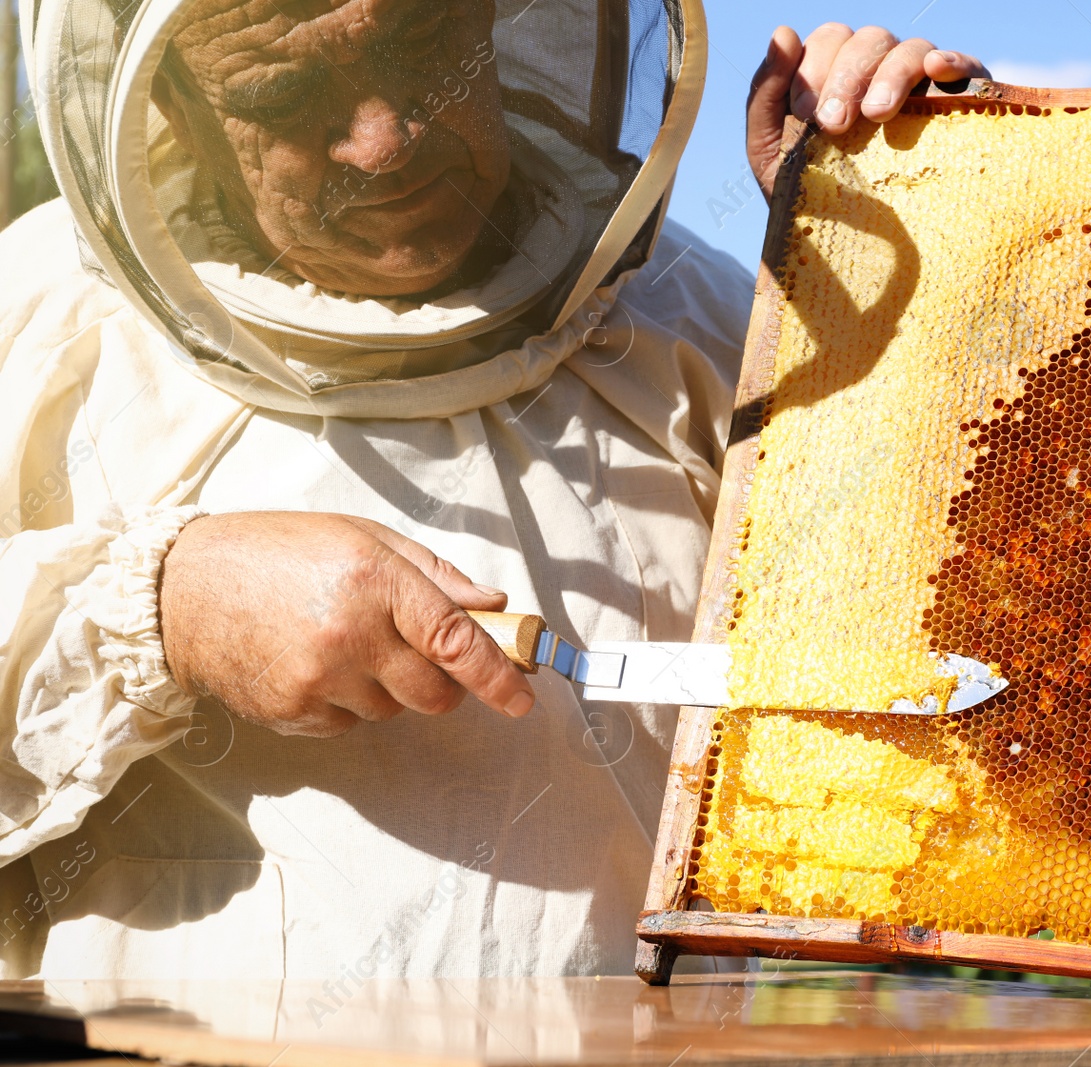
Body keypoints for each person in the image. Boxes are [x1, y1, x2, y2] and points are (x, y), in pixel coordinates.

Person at [0, 0, 985, 979]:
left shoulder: (710, 318)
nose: (384, 140)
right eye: (283, 92)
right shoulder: (38, 325)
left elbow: (962, 672)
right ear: (169, 96)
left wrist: (928, 274)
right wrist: (160, 609)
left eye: (421, 41)